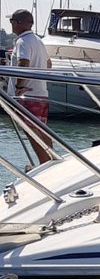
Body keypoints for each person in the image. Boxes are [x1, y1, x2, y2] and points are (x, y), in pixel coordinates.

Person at [7, 8, 54, 164]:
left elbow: (23, 62)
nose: (11, 25)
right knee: (41, 128)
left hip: (27, 94)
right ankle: (53, 159)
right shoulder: (38, 41)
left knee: (30, 130)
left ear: (19, 23)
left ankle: (44, 162)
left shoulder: (22, 41)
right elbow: (49, 64)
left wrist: (20, 86)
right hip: (41, 92)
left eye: (12, 21)